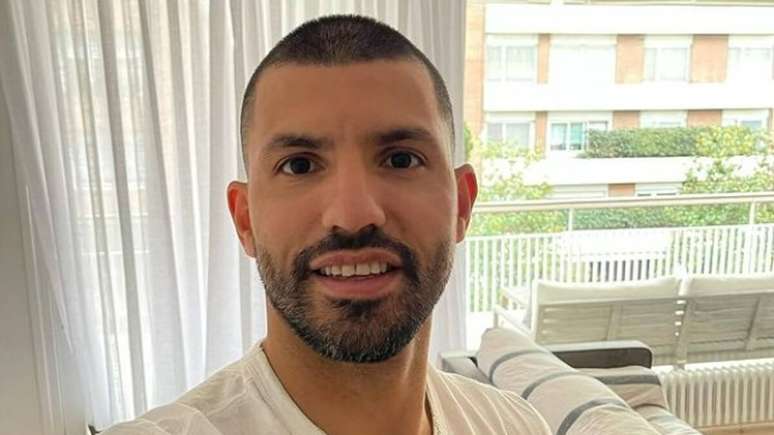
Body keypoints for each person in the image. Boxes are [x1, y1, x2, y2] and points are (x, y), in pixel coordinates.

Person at [103, 15, 550, 435]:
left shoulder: (516, 425)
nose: (353, 214)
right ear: (245, 220)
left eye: (401, 159)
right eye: (298, 165)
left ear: (462, 205)